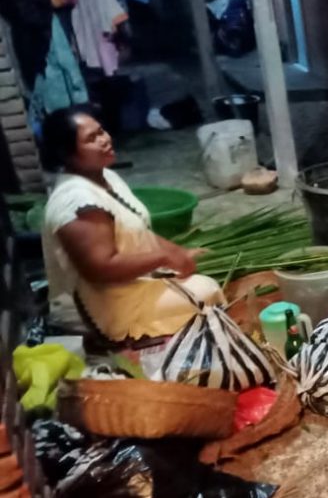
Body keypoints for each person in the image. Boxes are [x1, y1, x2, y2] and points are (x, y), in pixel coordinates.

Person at [40, 104, 224, 343]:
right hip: (103, 309)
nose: (104, 139)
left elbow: (135, 228)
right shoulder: (77, 201)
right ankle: (127, 336)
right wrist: (163, 257)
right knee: (207, 291)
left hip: (127, 285)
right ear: (67, 153)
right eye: (91, 139)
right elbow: (101, 269)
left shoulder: (105, 175)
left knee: (199, 282)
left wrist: (177, 252)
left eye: (101, 131)